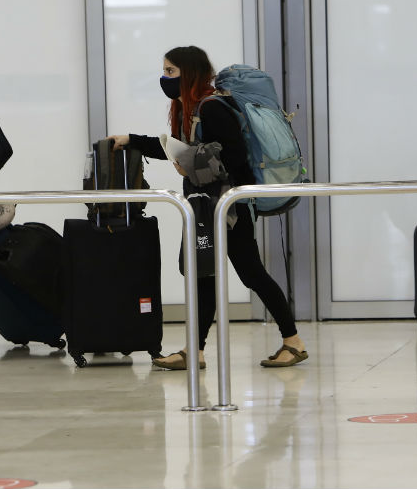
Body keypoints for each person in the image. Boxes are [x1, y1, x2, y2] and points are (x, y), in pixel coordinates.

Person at [109, 46, 307, 369]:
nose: (165, 78)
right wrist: (130, 139)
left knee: (250, 274)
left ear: (189, 73)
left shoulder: (213, 108)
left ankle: (292, 341)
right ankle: (195, 352)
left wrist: (193, 167)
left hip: (230, 209)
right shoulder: (190, 109)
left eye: (171, 72)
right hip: (207, 208)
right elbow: (175, 148)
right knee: (205, 276)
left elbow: (237, 160)